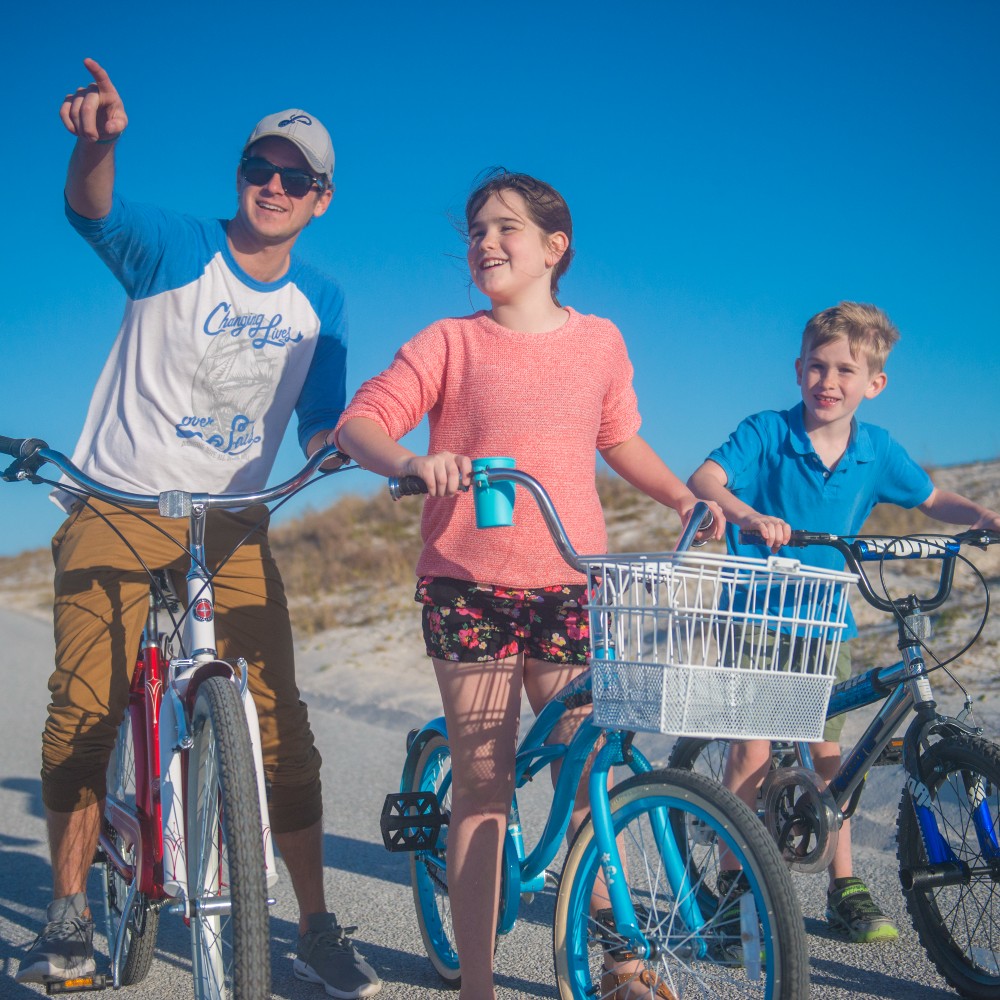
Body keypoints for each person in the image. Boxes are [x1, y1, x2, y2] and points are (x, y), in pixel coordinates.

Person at [15, 58, 382, 998]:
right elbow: (92, 211)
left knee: (282, 730)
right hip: (117, 505)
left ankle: (314, 923)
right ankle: (66, 910)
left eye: (295, 177)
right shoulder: (176, 246)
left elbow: (320, 418)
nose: (273, 185)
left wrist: (359, 451)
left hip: (230, 526)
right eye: (261, 167)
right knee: (83, 709)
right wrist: (97, 147)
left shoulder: (321, 304)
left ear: (320, 200)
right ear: (241, 175)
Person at [335, 168, 725, 1000]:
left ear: (556, 247)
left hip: (573, 584)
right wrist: (411, 460)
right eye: (476, 230)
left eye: (505, 227)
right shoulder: (449, 342)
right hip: (468, 586)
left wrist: (683, 497)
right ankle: (478, 983)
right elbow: (361, 418)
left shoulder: (600, 342)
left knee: (587, 776)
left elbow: (620, 440)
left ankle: (620, 964)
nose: (485, 242)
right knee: (483, 786)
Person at [688, 301, 1000, 944]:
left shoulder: (877, 451)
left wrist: (981, 516)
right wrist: (746, 516)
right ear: (798, 368)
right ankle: (734, 885)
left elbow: (932, 497)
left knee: (833, 755)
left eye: (846, 371)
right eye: (818, 367)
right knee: (750, 749)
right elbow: (706, 477)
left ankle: (844, 886)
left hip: (825, 624)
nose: (829, 382)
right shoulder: (769, 432)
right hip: (755, 614)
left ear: (873, 384)